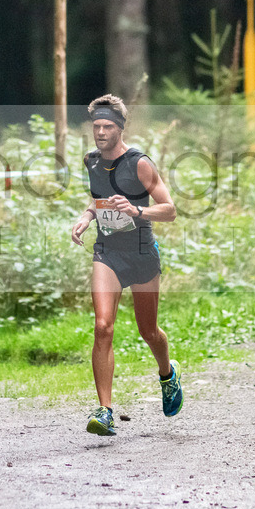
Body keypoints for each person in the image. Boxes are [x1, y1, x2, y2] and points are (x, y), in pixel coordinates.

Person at [70, 94, 182, 436]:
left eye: (107, 127)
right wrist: (88, 215)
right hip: (107, 251)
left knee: (149, 330)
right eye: (96, 127)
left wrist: (136, 210)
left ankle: (168, 373)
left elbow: (170, 209)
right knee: (103, 326)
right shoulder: (90, 161)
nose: (100, 132)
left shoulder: (140, 163)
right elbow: (98, 197)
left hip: (141, 252)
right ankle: (104, 411)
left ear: (120, 128)